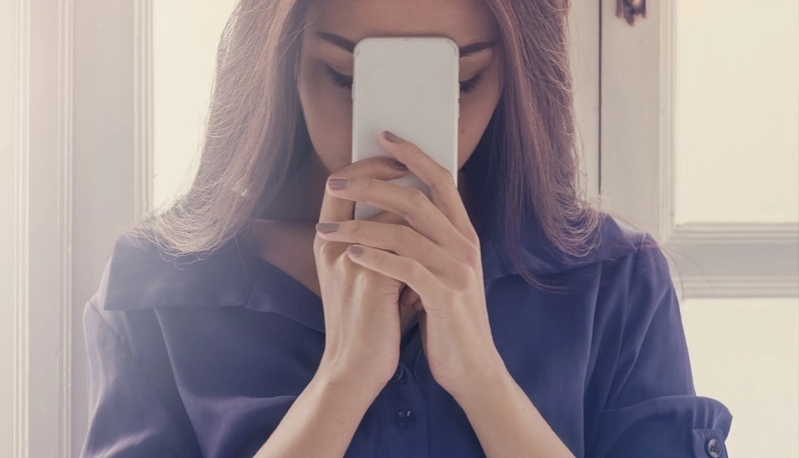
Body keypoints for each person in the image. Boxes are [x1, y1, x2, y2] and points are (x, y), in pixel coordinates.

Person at [81, 0, 733, 456]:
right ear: (280, 62)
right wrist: (343, 378)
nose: (393, 139)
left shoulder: (611, 280)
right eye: (344, 75)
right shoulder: (161, 289)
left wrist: (482, 379)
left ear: (512, 76)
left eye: (459, 80)